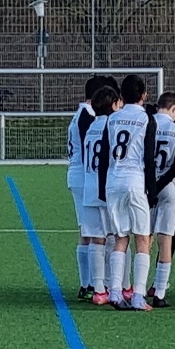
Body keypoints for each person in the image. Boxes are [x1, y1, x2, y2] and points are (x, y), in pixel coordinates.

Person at [105, 74, 157, 311]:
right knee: (142, 238)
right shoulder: (146, 119)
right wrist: (152, 190)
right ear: (144, 95)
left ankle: (115, 293)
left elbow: (105, 154)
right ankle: (138, 296)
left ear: (121, 96)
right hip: (135, 180)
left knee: (120, 238)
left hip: (113, 180)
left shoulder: (112, 118)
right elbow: (149, 157)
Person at [147, 92, 175, 308]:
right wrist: (161, 185)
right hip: (169, 186)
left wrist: (151, 187)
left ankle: (137, 287)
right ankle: (160, 291)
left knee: (144, 237)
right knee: (166, 239)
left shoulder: (147, 124)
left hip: (147, 185)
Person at [83, 84, 120, 305]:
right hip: (106, 187)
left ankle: (98, 289)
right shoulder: (112, 125)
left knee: (96, 239)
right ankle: (116, 285)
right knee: (115, 237)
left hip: (89, 187)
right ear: (114, 105)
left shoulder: (91, 127)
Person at [68, 75, 102, 300]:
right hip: (83, 176)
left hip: (79, 175)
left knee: (88, 231)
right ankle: (88, 284)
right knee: (89, 232)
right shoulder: (87, 116)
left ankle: (87, 283)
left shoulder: (82, 113)